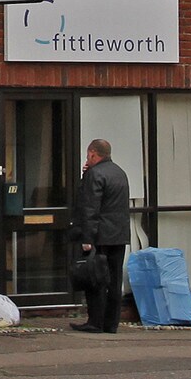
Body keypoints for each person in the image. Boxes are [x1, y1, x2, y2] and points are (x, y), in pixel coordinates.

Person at [71, 138, 131, 334]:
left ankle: (95, 322)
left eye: (89, 154)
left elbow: (90, 209)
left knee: (95, 279)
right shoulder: (120, 173)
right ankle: (111, 323)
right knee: (114, 281)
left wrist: (87, 239)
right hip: (119, 236)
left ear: (93, 153)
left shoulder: (94, 174)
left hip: (100, 237)